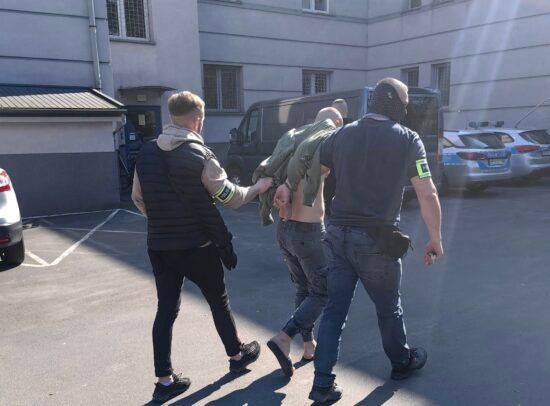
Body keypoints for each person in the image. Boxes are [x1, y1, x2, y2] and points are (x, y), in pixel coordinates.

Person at [309, 78, 444, 404]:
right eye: (405, 101)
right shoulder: (408, 139)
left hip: (337, 234)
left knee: (334, 310)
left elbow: (317, 170)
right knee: (388, 308)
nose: (407, 107)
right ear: (395, 102)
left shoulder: (341, 134)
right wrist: (435, 238)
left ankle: (322, 383)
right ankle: (401, 362)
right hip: (376, 240)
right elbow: (427, 192)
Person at [132, 91, 272, 404]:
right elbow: (230, 197)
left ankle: (164, 380)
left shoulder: (145, 152)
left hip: (160, 245)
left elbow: (138, 198)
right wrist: (258, 187)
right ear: (197, 119)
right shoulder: (200, 155)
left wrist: (164, 220)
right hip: (198, 246)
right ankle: (237, 356)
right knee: (218, 301)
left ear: (172, 117)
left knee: (166, 309)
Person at [266, 108, 343, 377]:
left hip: (284, 229)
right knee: (323, 291)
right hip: (308, 232)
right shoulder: (322, 145)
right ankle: (284, 337)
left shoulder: (293, 145)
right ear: (334, 124)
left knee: (304, 288)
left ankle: (308, 345)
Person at [324, 99, 352, 216]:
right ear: (347, 111)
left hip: (331, 194)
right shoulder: (358, 130)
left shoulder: (329, 132)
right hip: (351, 198)